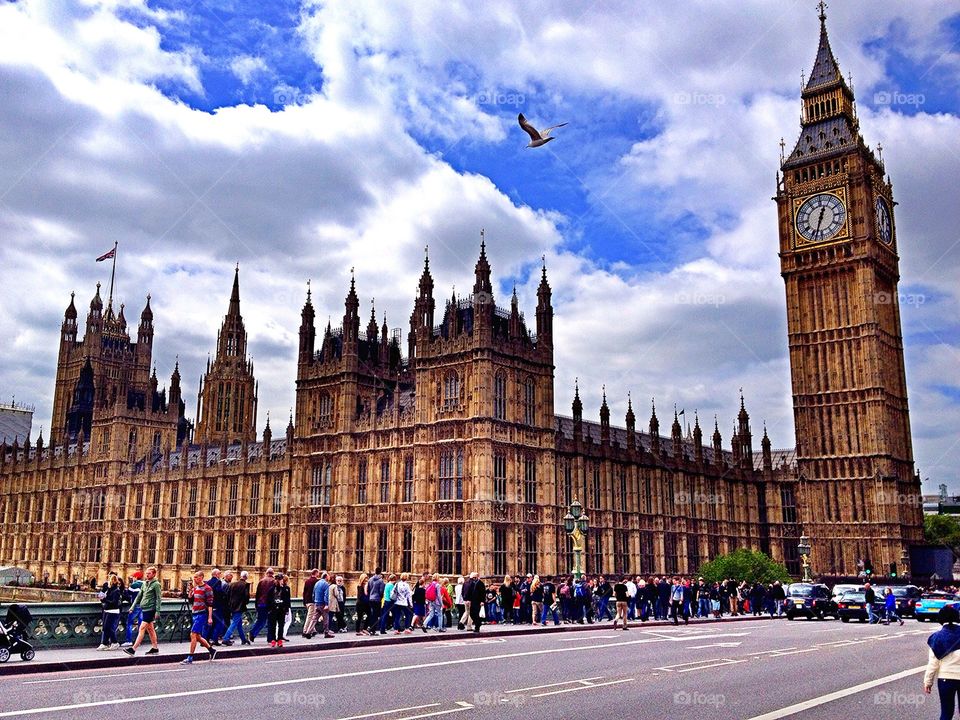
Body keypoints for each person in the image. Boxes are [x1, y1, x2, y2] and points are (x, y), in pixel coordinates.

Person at [924, 605, 960, 720]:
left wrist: (928, 681)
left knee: (946, 712)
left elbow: (933, 663)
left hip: (946, 678)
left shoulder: (936, 637)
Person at [178, 571, 218, 664]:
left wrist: (210, 617)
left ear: (201, 577)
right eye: (194, 577)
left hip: (202, 614)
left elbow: (210, 604)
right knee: (198, 636)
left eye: (196, 577)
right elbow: (192, 601)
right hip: (195, 613)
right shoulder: (195, 588)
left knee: (193, 634)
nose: (195, 579)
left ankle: (190, 657)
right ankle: (212, 650)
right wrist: (190, 593)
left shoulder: (208, 589)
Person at [123, 567, 161, 656]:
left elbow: (159, 599)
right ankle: (155, 648)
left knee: (142, 628)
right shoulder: (144, 584)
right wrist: (132, 607)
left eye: (149, 573)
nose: (147, 575)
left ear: (154, 574)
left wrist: (157, 611)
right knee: (150, 629)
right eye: (146, 573)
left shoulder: (156, 584)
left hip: (151, 609)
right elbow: (139, 596)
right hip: (144, 609)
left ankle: (133, 649)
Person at [222, 570, 251, 645]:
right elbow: (246, 597)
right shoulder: (245, 585)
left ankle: (243, 639)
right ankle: (225, 638)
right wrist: (245, 604)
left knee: (239, 623)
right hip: (240, 606)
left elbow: (227, 595)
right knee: (235, 622)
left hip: (231, 606)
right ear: (246, 577)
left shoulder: (232, 584)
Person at [97, 573, 124, 650]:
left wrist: (105, 599)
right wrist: (102, 598)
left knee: (108, 627)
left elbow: (114, 602)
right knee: (105, 627)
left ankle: (114, 642)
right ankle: (105, 643)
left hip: (113, 611)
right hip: (107, 610)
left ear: (112, 581)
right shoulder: (110, 590)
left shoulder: (116, 591)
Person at [248, 568, 275, 642]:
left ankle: (252, 633)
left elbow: (257, 594)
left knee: (260, 620)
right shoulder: (274, 581)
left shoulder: (261, 581)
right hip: (269, 604)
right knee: (271, 621)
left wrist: (256, 604)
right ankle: (270, 638)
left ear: (266, 573)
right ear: (273, 574)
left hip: (260, 603)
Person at [122, 570, 144, 646]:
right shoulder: (146, 584)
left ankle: (129, 640)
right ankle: (139, 641)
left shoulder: (134, 585)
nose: (132, 578)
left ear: (136, 577)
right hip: (144, 606)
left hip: (136, 606)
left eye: (133, 577)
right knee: (141, 624)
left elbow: (127, 594)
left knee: (129, 622)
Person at [313, 571, 334, 639]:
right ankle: (326, 633)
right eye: (328, 576)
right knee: (326, 618)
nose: (329, 577)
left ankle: (307, 631)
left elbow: (313, 594)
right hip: (322, 604)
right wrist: (326, 604)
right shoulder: (326, 584)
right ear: (326, 577)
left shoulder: (317, 583)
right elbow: (326, 595)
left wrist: (315, 601)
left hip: (317, 603)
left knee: (314, 619)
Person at [302, 569, 320, 638]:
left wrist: (304, 601)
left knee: (312, 616)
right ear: (316, 573)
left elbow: (304, 592)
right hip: (312, 601)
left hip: (307, 601)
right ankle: (305, 631)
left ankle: (313, 630)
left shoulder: (307, 581)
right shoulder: (316, 581)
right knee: (310, 617)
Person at [368, 569, 385, 633]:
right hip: (377, 599)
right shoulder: (381, 581)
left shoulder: (370, 579)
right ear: (380, 572)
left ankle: (370, 627)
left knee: (372, 614)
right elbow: (381, 591)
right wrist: (380, 597)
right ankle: (373, 630)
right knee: (376, 615)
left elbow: (368, 589)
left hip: (371, 598)